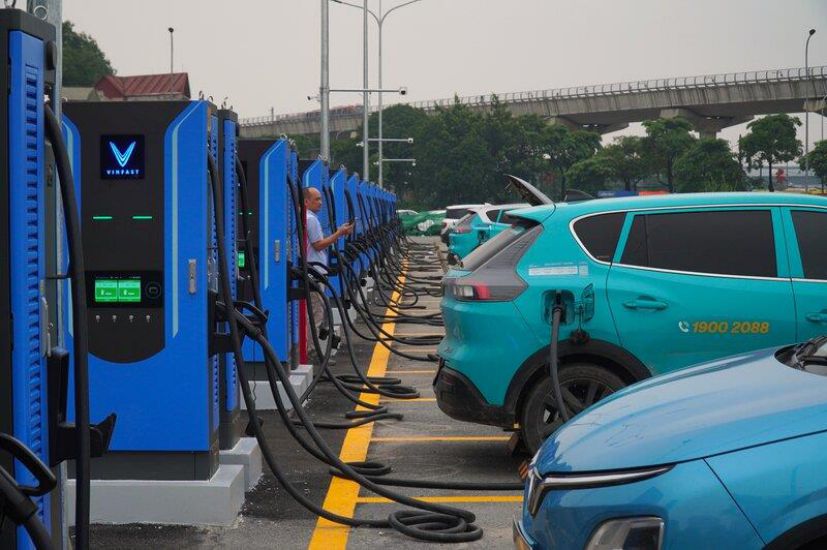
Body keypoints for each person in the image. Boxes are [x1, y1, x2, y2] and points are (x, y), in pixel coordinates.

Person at [303, 187, 353, 361]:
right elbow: (318, 245)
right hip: (314, 273)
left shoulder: (306, 218)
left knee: (317, 311)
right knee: (316, 313)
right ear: (306, 201)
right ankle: (312, 351)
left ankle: (313, 346)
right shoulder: (311, 220)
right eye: (317, 199)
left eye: (321, 199)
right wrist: (339, 234)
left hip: (312, 272)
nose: (321, 202)